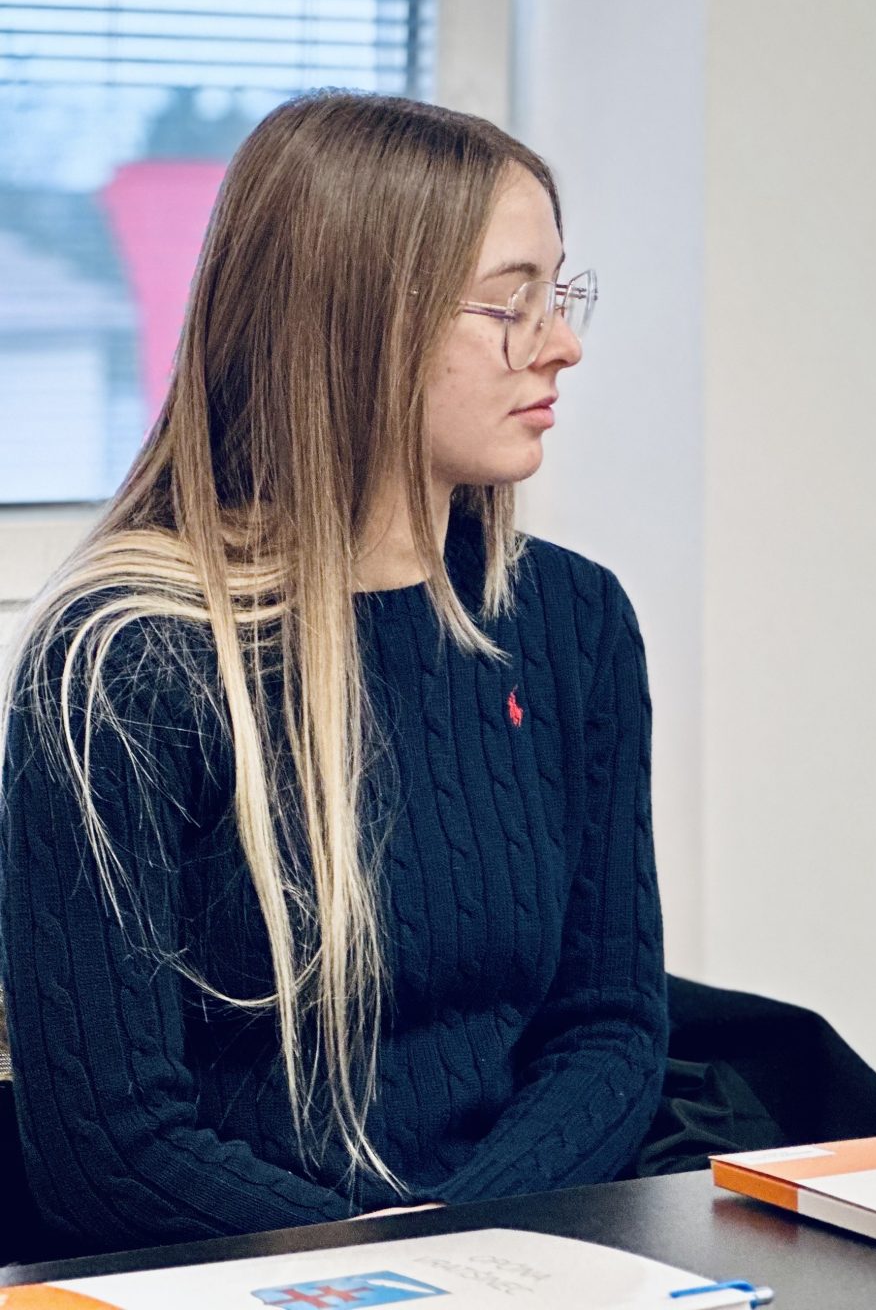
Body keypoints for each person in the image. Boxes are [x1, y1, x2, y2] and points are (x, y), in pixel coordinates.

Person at [0, 92, 665, 1250]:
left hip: (515, 1256)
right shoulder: (123, 662)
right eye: (509, 304)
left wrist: (472, 1246)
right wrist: (392, 1266)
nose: (561, 344)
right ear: (357, 322)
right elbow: (112, 1139)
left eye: (558, 296)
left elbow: (608, 1029)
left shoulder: (574, 623)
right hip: (243, 1273)